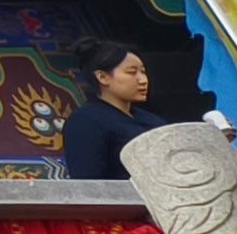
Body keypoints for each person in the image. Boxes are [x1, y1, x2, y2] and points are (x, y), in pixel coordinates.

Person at [60, 45, 165, 179]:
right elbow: (87, 181)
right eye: (131, 72)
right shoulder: (86, 121)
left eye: (143, 72)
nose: (143, 80)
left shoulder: (153, 120)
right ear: (103, 77)